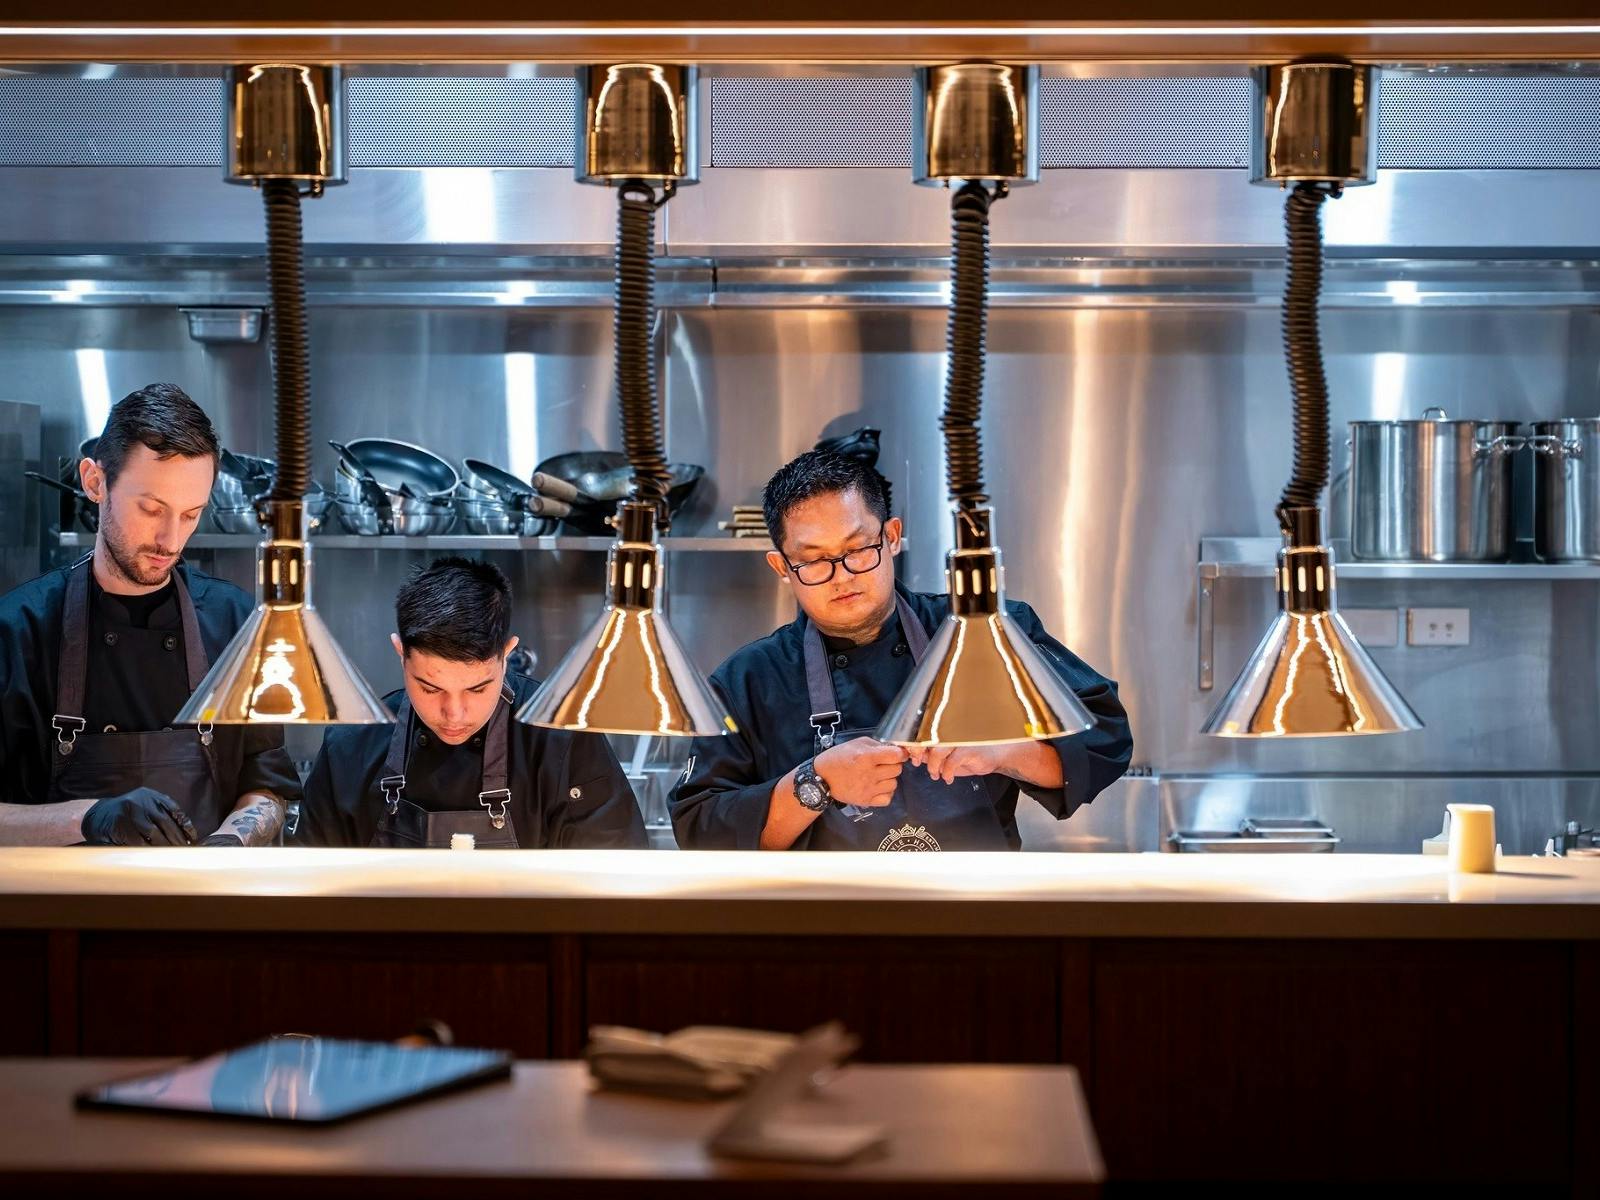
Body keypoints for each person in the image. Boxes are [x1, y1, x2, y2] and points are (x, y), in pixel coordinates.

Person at [672, 451, 1132, 851]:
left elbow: (1105, 740)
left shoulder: (983, 635)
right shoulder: (748, 680)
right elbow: (699, 830)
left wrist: (1002, 750)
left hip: (977, 924)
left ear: (891, 536)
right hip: (824, 935)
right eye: (813, 560)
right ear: (782, 566)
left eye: (858, 548)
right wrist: (815, 783)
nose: (843, 575)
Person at [0, 383, 300, 846]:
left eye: (191, 514)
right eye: (151, 508)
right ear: (95, 482)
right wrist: (88, 818)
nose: (170, 539)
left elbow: (268, 787)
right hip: (65, 910)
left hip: (204, 902)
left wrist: (231, 842)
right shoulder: (20, 630)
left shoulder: (236, 621)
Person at [294, 556, 647, 849]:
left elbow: (613, 886)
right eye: (430, 689)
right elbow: (312, 891)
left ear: (506, 655)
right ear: (401, 654)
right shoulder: (351, 747)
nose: (454, 714)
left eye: (478, 689)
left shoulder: (563, 738)